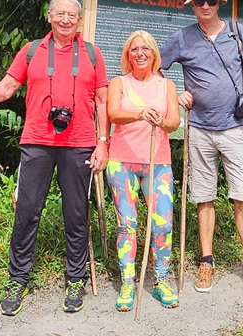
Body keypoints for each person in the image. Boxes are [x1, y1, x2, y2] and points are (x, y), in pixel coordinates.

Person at [0, 0, 108, 315]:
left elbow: (102, 101)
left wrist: (103, 142)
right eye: (59, 14)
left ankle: (76, 278)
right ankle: (18, 278)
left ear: (78, 20)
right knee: (27, 210)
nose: (65, 20)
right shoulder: (31, 51)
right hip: (37, 141)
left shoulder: (91, 53)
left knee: (76, 214)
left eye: (71, 15)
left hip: (80, 144)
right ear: (48, 17)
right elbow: (6, 87)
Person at [160, 0, 243, 295]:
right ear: (192, 5)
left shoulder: (238, 33)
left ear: (219, 3)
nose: (206, 6)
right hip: (198, 128)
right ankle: (206, 262)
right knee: (203, 196)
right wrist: (176, 96)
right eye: (199, 2)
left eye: (211, 0)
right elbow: (156, 71)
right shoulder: (182, 38)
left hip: (235, 128)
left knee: (242, 195)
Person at [105, 31, 180, 310]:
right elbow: (112, 113)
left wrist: (160, 120)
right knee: (127, 224)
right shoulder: (118, 82)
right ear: (127, 55)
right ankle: (128, 282)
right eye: (134, 49)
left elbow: (174, 122)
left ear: (153, 55)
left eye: (146, 49)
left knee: (163, 223)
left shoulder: (166, 85)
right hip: (122, 161)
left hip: (157, 162)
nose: (140, 53)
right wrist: (138, 114)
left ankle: (160, 280)